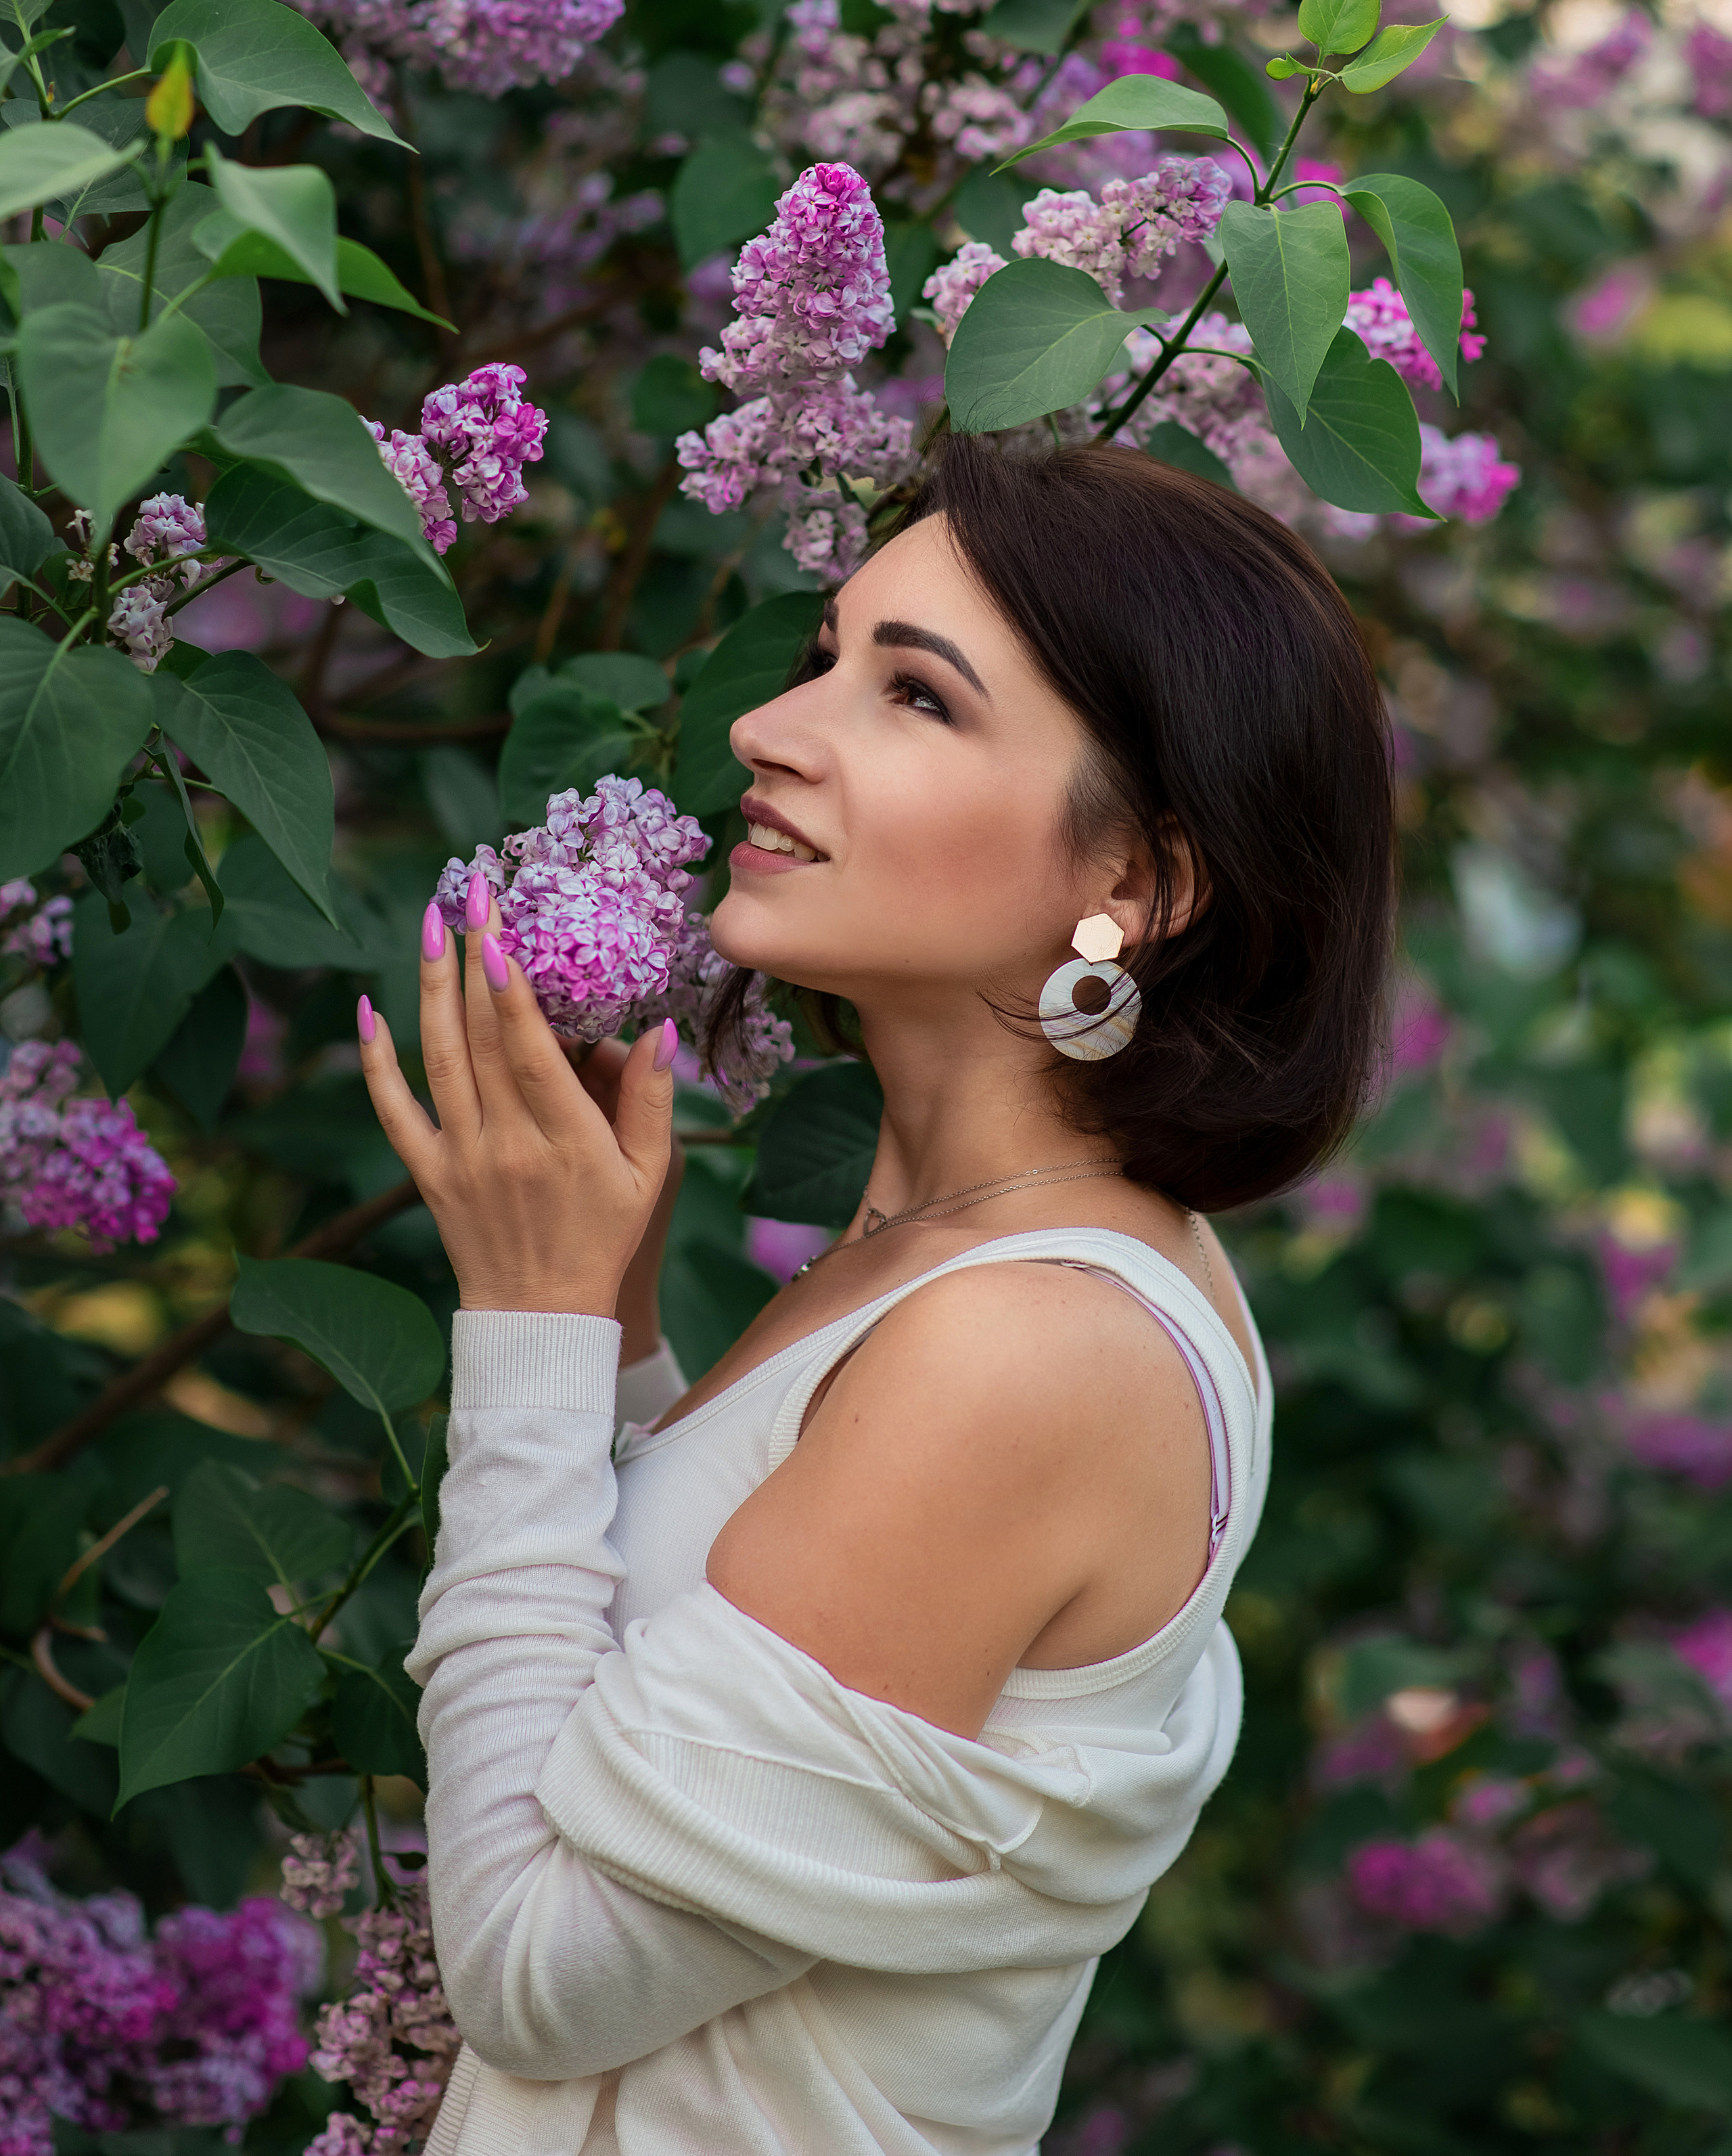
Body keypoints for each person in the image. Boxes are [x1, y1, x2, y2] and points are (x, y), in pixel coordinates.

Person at [359, 436, 1396, 2156]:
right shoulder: (966, 1252)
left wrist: (528, 1333)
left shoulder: (1032, 1347)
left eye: (912, 698)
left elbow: (537, 1973)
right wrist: (611, 1328)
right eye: (822, 657)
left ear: (1134, 881)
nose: (773, 728)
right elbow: (713, 1665)